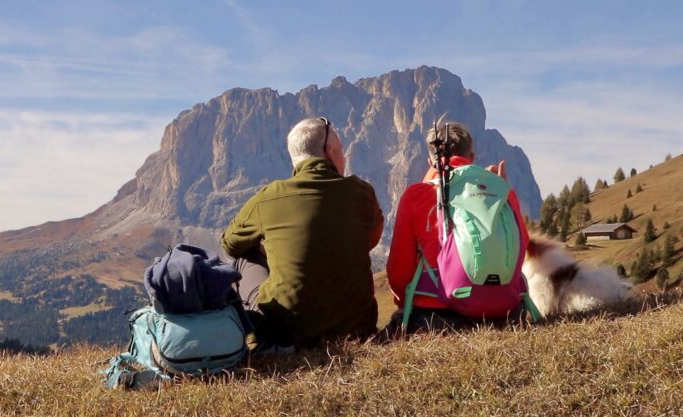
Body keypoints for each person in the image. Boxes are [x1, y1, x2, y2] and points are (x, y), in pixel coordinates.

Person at [221, 117, 384, 347]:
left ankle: (253, 331)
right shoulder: (363, 193)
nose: (344, 157)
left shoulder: (269, 197)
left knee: (244, 257)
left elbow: (230, 245)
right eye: (341, 150)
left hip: (287, 334)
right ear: (329, 151)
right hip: (358, 330)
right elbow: (371, 240)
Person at [386, 121, 529, 332]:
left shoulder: (416, 195)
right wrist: (501, 189)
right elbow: (522, 246)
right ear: (471, 157)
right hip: (506, 314)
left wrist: (402, 304)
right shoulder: (502, 190)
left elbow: (399, 272)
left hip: (436, 318)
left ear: (431, 161)